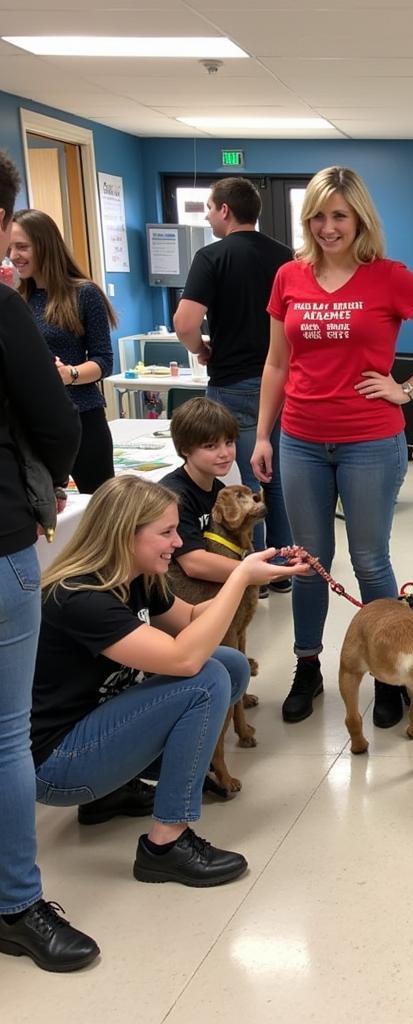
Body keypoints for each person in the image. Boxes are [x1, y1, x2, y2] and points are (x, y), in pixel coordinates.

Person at [253, 165, 413, 728]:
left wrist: (407, 389)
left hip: (370, 440)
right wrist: (262, 433)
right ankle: (308, 665)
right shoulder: (288, 277)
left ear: (359, 219)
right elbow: (277, 362)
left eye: (339, 216)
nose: (328, 227)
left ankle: (388, 673)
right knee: (307, 560)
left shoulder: (389, 277)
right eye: (318, 216)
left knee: (370, 559)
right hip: (300, 437)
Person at [32, 476, 305, 893]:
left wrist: (254, 576)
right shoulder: (79, 596)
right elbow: (184, 658)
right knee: (206, 677)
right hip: (56, 767)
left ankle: (111, 794)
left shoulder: (136, 576)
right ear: (125, 535)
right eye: (166, 533)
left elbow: (194, 620)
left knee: (229, 664)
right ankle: (166, 844)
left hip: (93, 733)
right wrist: (238, 578)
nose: (178, 543)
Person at [0, 148, 95, 973]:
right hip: (1, 537)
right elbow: (57, 423)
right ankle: (17, 903)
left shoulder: (62, 302)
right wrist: (44, 490)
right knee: (6, 733)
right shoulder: (4, 312)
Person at [172, 177, 294, 576]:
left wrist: (200, 350)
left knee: (242, 487)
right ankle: (281, 567)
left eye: (209, 208)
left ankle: (251, 572)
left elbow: (185, 321)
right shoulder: (287, 257)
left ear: (225, 210)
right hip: (283, 384)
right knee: (276, 480)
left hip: (233, 383)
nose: (208, 216)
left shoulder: (212, 257)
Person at [10, 208, 115, 494]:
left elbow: (104, 362)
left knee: (100, 507)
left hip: (81, 419)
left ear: (45, 245)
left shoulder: (84, 293)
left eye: (22, 246)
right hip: (32, 422)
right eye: (10, 247)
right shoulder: (15, 300)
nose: (15, 255)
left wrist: (68, 374)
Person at [160, 397, 245, 591]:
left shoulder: (219, 489)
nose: (225, 453)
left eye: (229, 442)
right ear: (185, 449)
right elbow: (193, 563)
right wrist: (254, 572)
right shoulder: (173, 496)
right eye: (211, 446)